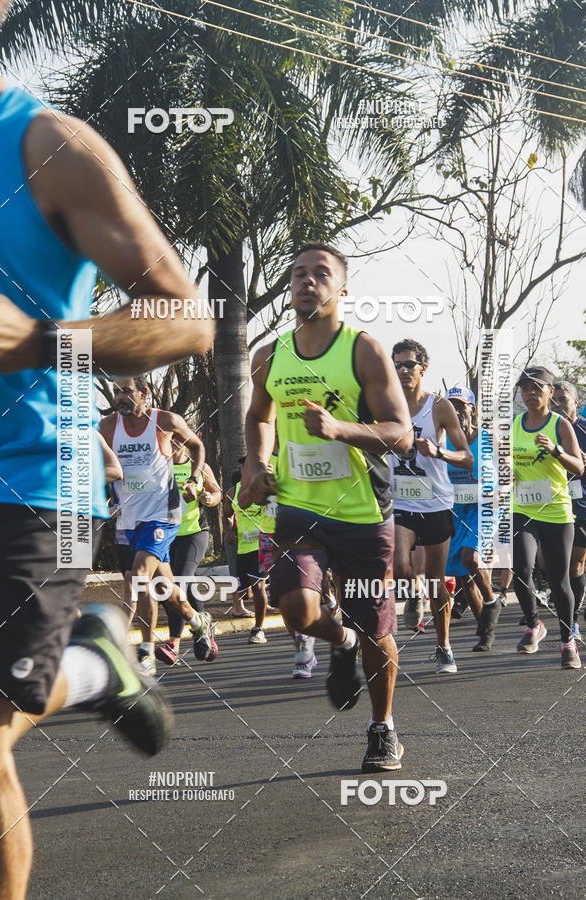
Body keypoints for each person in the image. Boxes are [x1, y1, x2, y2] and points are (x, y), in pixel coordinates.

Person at [0, 1, 214, 895]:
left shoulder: (47, 145)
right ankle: (93, 664)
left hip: (28, 479)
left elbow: (186, 317)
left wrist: (43, 341)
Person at [243, 243, 414, 772]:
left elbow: (402, 433)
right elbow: (258, 416)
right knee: (294, 609)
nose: (307, 281)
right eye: (298, 274)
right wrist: (255, 464)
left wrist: (342, 429)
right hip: (298, 509)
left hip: (363, 513)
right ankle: (337, 639)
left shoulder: (363, 349)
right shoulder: (269, 355)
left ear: (342, 290)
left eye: (321, 274)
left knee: (377, 630)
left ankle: (382, 728)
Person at [100, 377, 217, 673]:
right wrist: (105, 499)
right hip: (129, 518)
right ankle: (198, 620)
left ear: (144, 393)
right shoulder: (108, 427)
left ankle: (144, 653)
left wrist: (193, 479)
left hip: (163, 514)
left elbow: (198, 446)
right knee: (163, 585)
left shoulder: (165, 421)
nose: (120, 397)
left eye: (126, 391)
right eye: (116, 392)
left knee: (138, 578)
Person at [389, 341, 473, 674]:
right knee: (398, 564)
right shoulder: (386, 405)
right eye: (396, 365)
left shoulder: (438, 407)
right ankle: (414, 592)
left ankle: (444, 646)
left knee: (438, 582)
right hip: (400, 502)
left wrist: (438, 452)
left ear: (424, 368)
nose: (402, 371)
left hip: (436, 501)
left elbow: (466, 457)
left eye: (409, 364)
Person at [510, 367, 583, 667]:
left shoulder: (559, 424)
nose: (529, 393)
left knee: (558, 579)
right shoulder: (514, 424)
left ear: (550, 392)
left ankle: (567, 641)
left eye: (536, 388)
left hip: (555, 511)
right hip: (523, 508)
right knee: (520, 567)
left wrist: (555, 451)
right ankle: (533, 624)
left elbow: (579, 467)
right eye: (524, 388)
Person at [440, 387, 500, 652]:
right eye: (451, 405)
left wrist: (497, 491)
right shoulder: (442, 441)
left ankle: (491, 601)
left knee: (470, 558)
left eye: (461, 405)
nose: (456, 410)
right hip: (455, 510)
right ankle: (485, 631)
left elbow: (508, 473)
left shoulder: (489, 438)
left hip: (484, 508)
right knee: (464, 576)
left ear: (472, 409)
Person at [155, 437, 222, 664]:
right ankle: (202, 627)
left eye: (177, 440)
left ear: (187, 443)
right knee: (168, 586)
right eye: (168, 440)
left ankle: (174, 643)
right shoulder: (158, 464)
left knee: (180, 580)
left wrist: (209, 498)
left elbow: (217, 494)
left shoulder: (199, 467)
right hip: (166, 533)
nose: (172, 444)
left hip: (194, 532)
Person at [551, 381, 586, 641]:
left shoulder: (583, 427)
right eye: (555, 400)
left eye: (563, 400)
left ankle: (572, 620)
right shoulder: (548, 426)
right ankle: (573, 613)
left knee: (575, 563)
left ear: (576, 403)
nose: (558, 405)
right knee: (557, 564)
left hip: (583, 503)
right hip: (555, 503)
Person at [225, 475, 270, 644]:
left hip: (263, 544)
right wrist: (230, 530)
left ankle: (258, 629)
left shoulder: (265, 485)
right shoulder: (233, 491)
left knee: (257, 586)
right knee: (247, 593)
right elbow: (227, 513)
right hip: (243, 547)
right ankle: (268, 585)